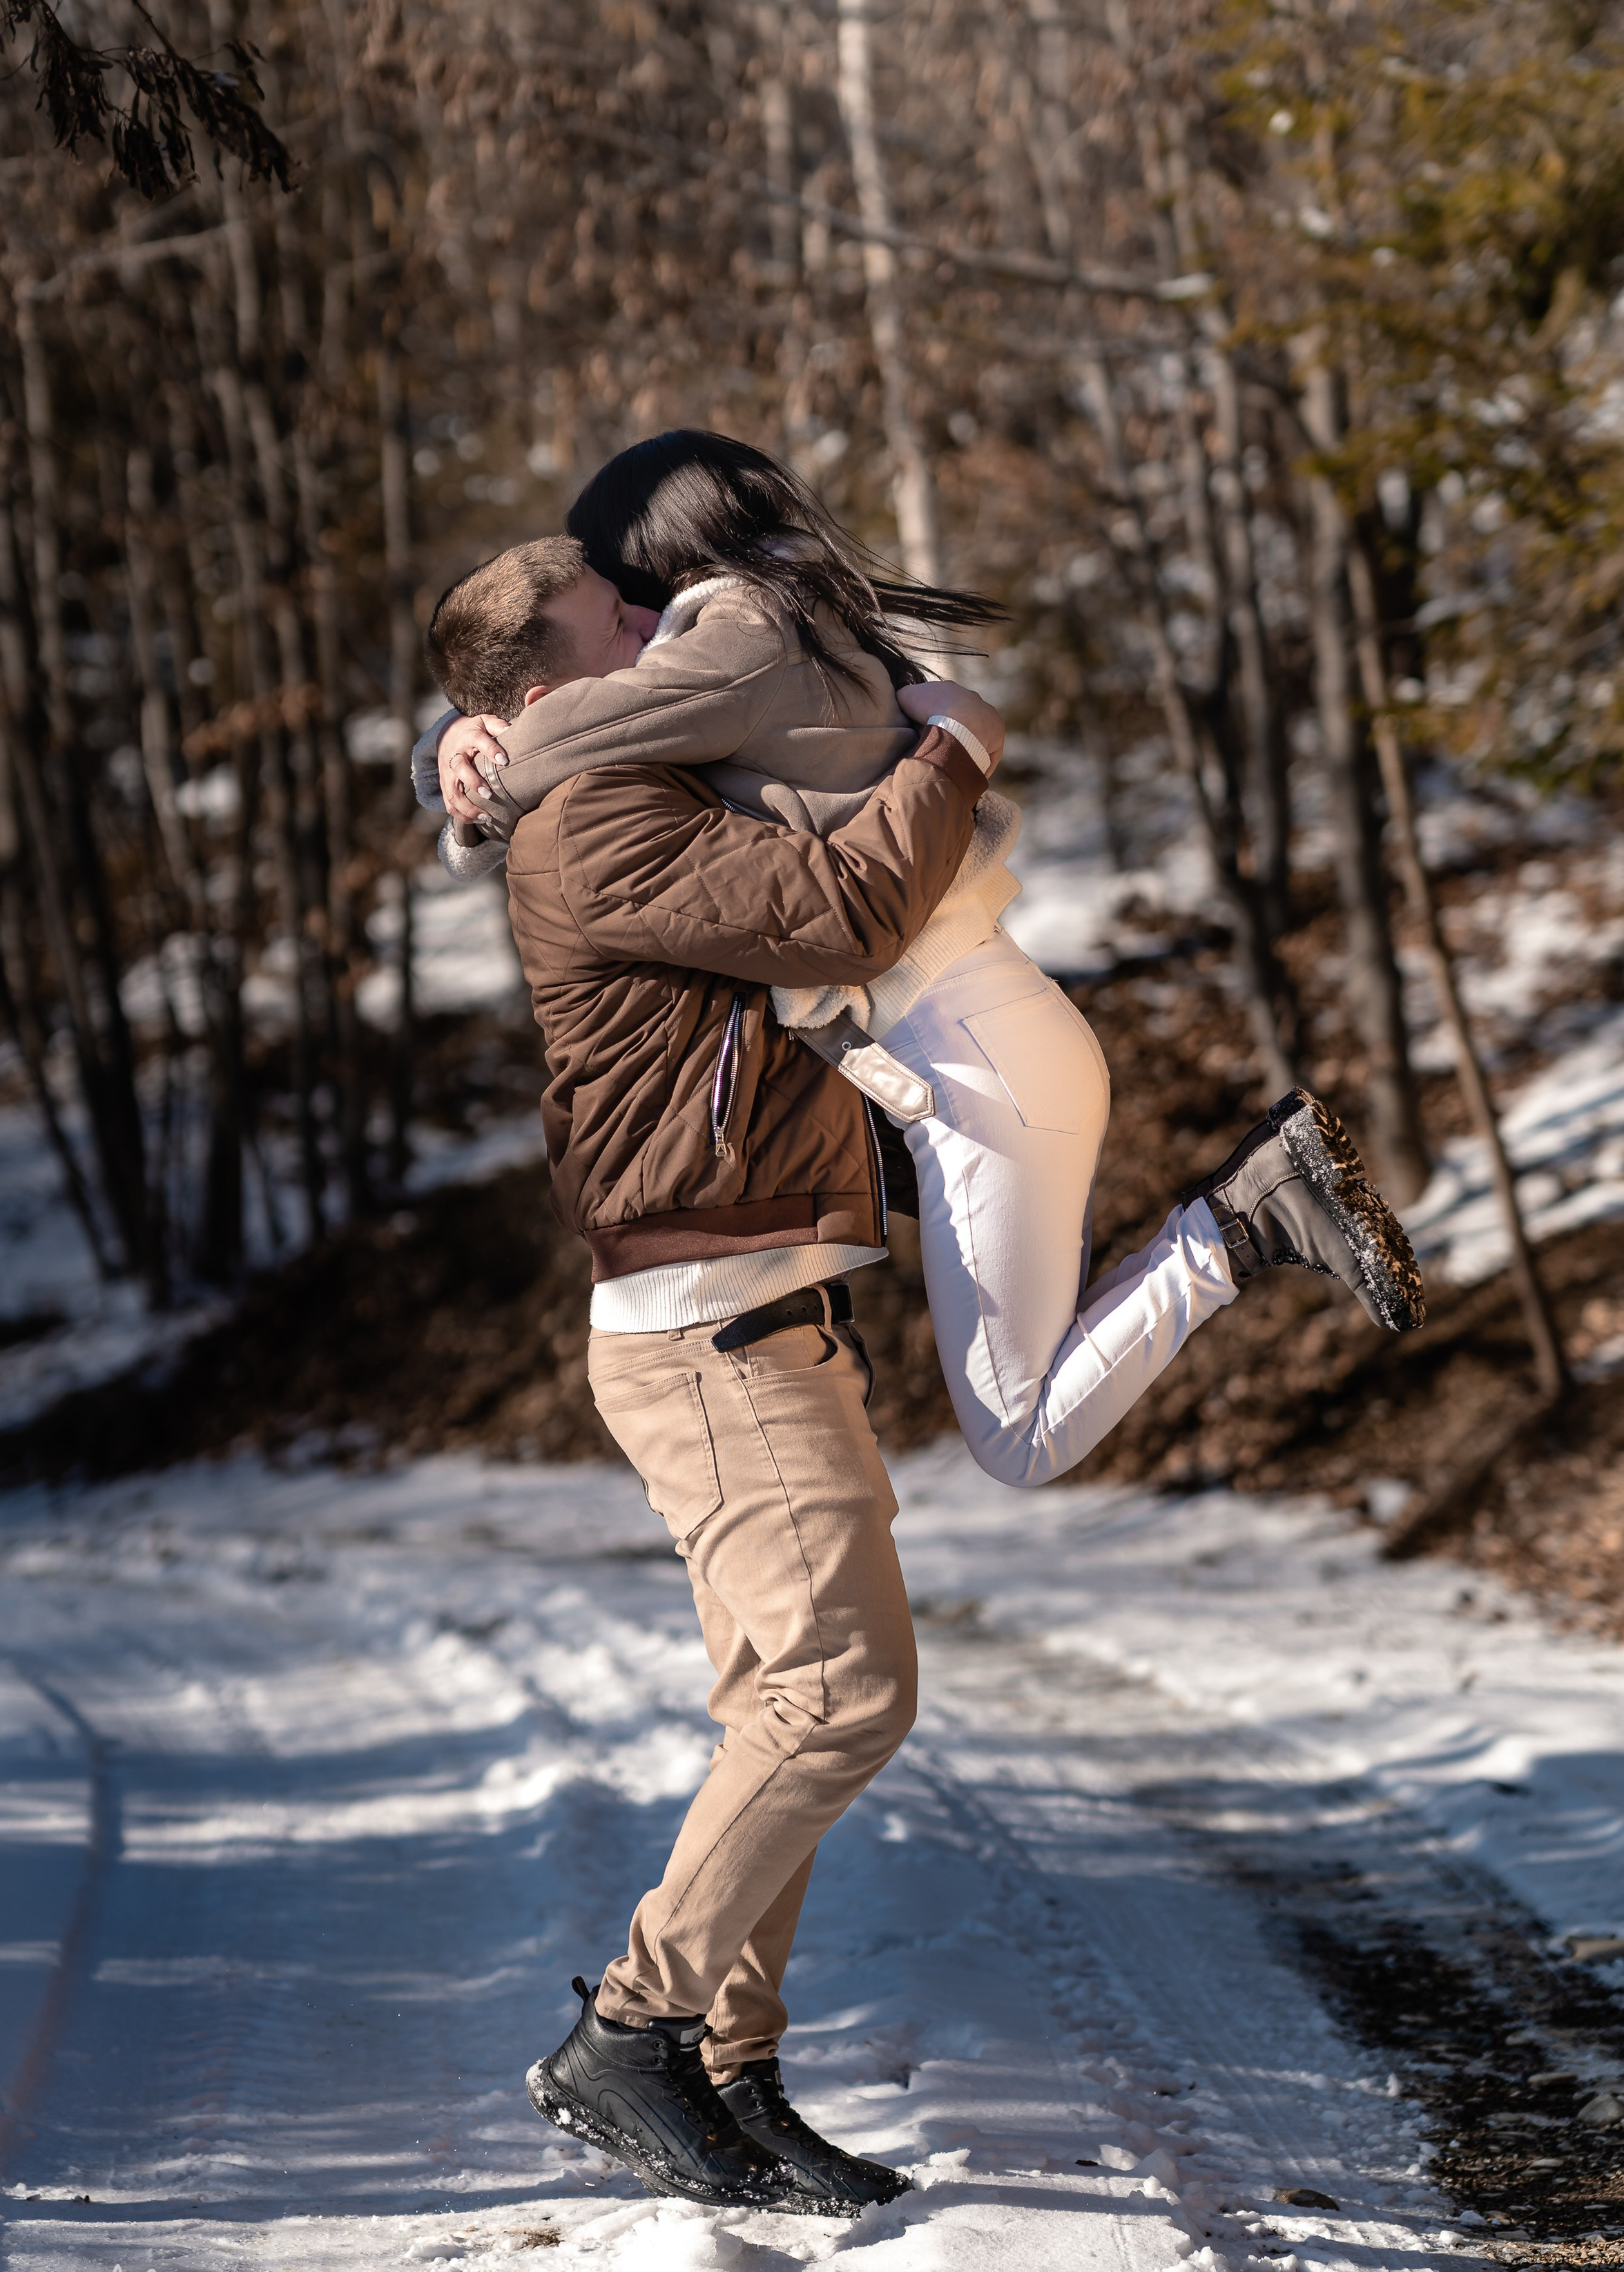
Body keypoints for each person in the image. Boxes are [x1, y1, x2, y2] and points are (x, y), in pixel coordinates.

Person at [417, 432, 1424, 1497]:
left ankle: (1250, 1212)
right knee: (1034, 1387)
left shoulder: (731, 638)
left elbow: (562, 727)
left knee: (1020, 1439)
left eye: (626, 594)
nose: (631, 618)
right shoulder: (768, 622)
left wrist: (467, 766)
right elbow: (563, 704)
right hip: (981, 1047)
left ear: (656, 559)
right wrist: (455, 732)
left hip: (977, 1062)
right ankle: (1240, 1219)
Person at [445, 558, 1002, 2213]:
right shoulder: (593, 818)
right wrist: (953, 751)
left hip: (744, 1310)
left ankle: (727, 2068)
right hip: (709, 1325)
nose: (654, 632)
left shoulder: (618, 778)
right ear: (544, 696)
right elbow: (839, 911)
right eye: (616, 626)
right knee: (840, 1697)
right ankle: (634, 2030)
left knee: (778, 1706)